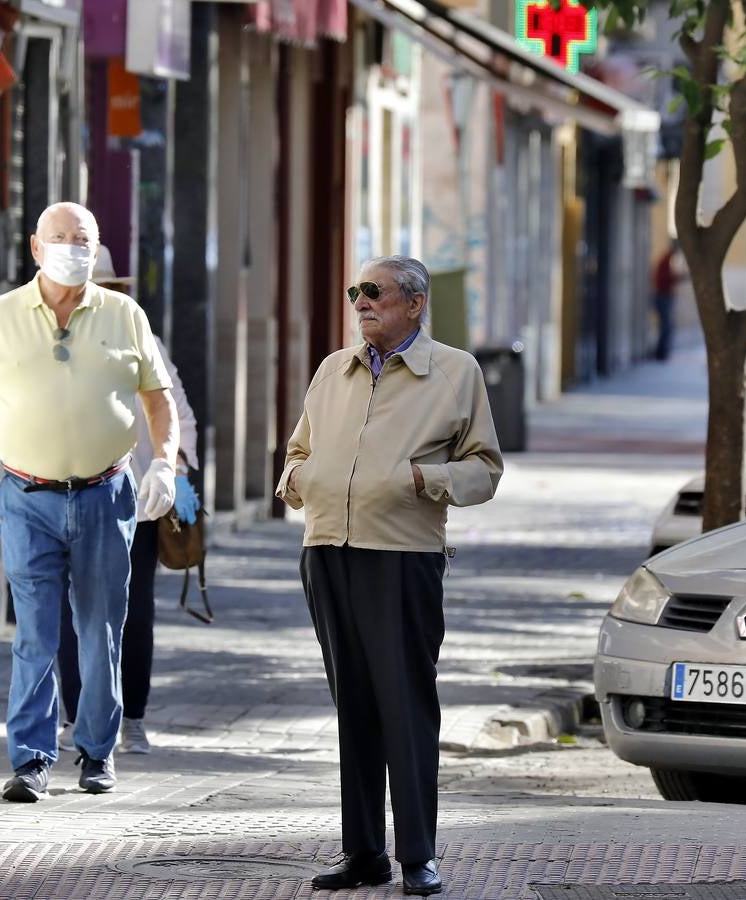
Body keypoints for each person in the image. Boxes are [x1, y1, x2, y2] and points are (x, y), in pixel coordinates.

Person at [276, 256, 503, 896]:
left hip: (403, 557)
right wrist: (296, 483)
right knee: (354, 705)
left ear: (415, 303)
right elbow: (300, 448)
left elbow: (485, 469)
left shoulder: (456, 372)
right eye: (356, 291)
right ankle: (363, 852)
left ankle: (418, 856)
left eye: (374, 292)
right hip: (326, 550)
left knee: (405, 706)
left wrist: (423, 480)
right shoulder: (333, 370)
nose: (361, 301)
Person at [0, 203, 179, 802]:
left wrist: (165, 466)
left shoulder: (125, 314)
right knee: (36, 635)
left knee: (100, 631)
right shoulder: (0, 317)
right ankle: (31, 760)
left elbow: (159, 401)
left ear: (97, 249)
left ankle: (97, 751)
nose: (73, 247)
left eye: (84, 239)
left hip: (105, 496)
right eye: (61, 238)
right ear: (35, 246)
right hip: (26, 499)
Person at [56, 246, 200, 756]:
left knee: (131, 614)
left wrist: (171, 474)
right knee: (72, 614)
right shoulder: (50, 345)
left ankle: (131, 718)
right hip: (62, 498)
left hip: (134, 505)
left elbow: (179, 418)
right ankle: (77, 720)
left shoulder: (144, 342)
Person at [652, 241, 682, 362]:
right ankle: (661, 353)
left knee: (667, 326)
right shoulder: (666, 260)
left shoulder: (668, 259)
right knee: (666, 326)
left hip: (664, 296)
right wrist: (678, 277)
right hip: (663, 296)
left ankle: (663, 352)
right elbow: (664, 278)